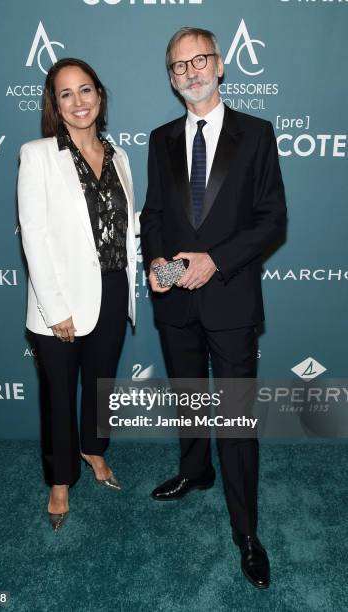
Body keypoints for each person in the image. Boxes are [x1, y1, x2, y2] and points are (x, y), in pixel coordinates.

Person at [140, 27, 286, 588]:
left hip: (230, 302)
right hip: (175, 302)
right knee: (188, 398)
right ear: (172, 78)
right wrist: (157, 262)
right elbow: (154, 214)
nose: (191, 72)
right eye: (179, 66)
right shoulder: (159, 139)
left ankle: (246, 532)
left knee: (235, 420)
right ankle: (194, 472)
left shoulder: (257, 134)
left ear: (221, 66)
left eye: (199, 60)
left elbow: (272, 220)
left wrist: (214, 261)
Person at [18, 58, 137, 531]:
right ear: (55, 104)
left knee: (101, 383)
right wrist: (55, 308)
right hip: (60, 299)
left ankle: (94, 450)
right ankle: (61, 479)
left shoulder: (120, 155)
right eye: (66, 93)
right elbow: (34, 233)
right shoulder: (38, 154)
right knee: (59, 394)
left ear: (100, 96)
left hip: (112, 288)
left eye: (85, 89)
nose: (78, 101)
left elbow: (126, 230)